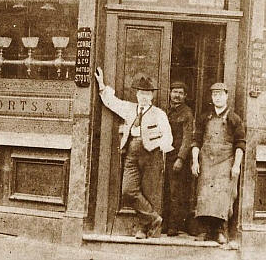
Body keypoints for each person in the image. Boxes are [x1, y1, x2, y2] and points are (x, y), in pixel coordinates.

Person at [94, 67, 173, 239]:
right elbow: (111, 102)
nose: (144, 96)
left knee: (149, 192)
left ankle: (144, 229)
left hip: (151, 155)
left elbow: (168, 138)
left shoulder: (159, 114)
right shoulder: (130, 108)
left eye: (147, 93)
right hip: (131, 152)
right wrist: (101, 86)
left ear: (152, 96)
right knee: (128, 191)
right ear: (136, 94)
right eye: (141, 93)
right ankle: (153, 218)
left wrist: (156, 146)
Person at [190, 82, 245, 244]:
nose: (217, 97)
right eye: (214, 95)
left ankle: (220, 230)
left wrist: (236, 165)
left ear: (226, 96)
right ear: (211, 97)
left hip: (225, 161)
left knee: (222, 195)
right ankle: (205, 230)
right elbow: (196, 141)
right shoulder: (204, 118)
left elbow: (240, 144)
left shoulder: (234, 119)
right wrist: (195, 161)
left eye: (220, 94)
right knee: (205, 194)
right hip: (206, 161)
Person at [162, 81, 194, 236]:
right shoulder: (166, 111)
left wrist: (180, 159)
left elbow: (188, 138)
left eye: (181, 93)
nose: (177, 95)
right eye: (175, 92)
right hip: (163, 155)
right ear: (170, 93)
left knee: (175, 192)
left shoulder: (187, 113)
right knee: (164, 189)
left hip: (177, 157)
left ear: (185, 96)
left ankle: (173, 226)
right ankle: (163, 223)